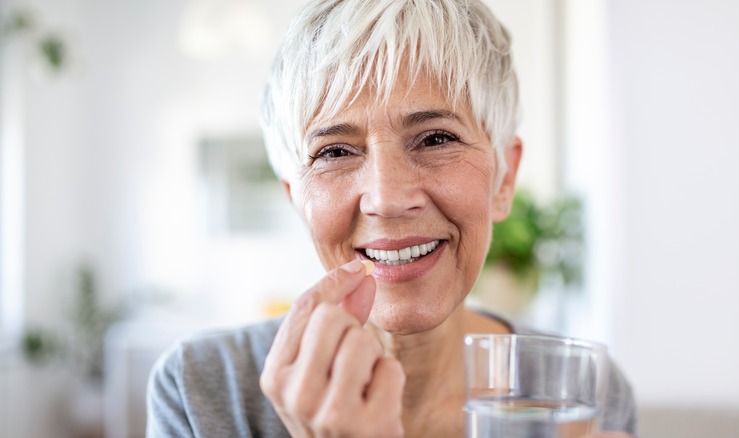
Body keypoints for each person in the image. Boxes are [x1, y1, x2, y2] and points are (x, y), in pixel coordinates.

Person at [146, 0, 637, 436]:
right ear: (297, 199)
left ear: (503, 181)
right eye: (334, 151)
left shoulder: (578, 390)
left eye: (436, 139)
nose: (386, 198)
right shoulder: (199, 393)